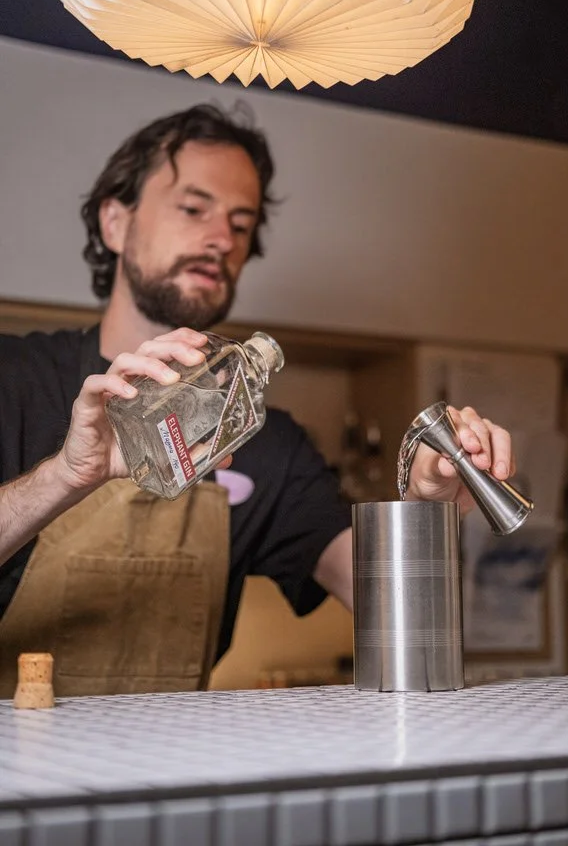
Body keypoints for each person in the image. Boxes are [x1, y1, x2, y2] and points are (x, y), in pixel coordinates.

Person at [0, 102, 516, 697]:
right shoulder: (15, 378)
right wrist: (65, 477)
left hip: (179, 776)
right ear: (115, 223)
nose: (221, 239)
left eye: (241, 225)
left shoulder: (268, 441)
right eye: (194, 208)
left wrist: (428, 509)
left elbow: (384, 601)